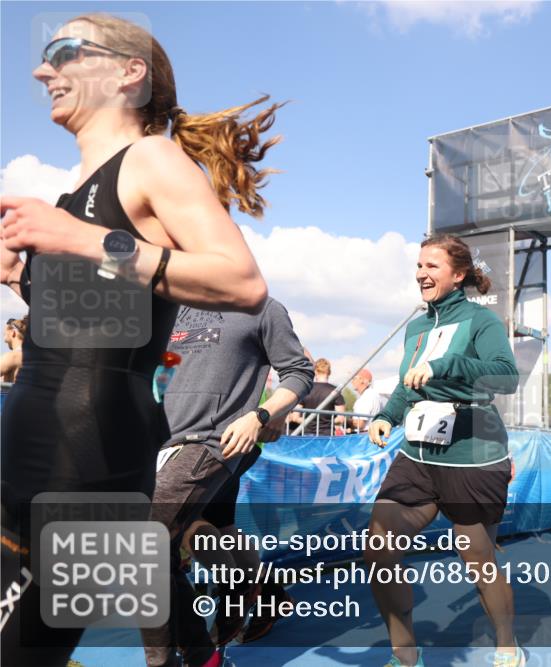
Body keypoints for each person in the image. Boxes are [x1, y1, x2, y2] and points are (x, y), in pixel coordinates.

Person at [1, 14, 274, 665]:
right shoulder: (73, 195)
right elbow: (92, 331)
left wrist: (80, 240)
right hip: (28, 450)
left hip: (86, 464)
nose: (43, 70)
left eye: (66, 51)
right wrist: (18, 276)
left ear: (130, 73)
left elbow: (242, 279)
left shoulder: (152, 159)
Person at [366, 234, 522, 667]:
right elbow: (408, 384)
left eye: (431, 266)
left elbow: (506, 377)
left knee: (477, 557)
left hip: (473, 455)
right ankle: (405, 656)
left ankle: (507, 645)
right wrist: (388, 415)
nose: (421, 273)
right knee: (379, 546)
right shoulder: (417, 327)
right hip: (417, 456)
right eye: (419, 265)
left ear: (458, 274)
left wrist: (446, 365)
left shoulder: (480, 320)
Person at [142, 299, 313, 666]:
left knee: (155, 537)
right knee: (208, 529)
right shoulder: (172, 311)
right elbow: (163, 375)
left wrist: (265, 414)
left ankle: (233, 595)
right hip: (167, 442)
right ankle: (255, 597)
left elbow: (298, 370)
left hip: (219, 439)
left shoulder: (262, 307)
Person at [289, 357, 346, 435]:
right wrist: (326, 422)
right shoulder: (335, 391)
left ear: (315, 371)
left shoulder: (306, 389)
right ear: (329, 372)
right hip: (327, 434)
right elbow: (341, 419)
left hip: (307, 434)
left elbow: (295, 417)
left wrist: (310, 421)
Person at [351, 368, 386, 433]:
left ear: (362, 380)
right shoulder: (373, 394)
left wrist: (345, 421)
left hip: (364, 436)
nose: (352, 381)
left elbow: (360, 424)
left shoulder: (366, 397)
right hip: (372, 434)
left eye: (354, 378)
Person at [0, 317, 26, 383]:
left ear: (13, 333)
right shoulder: (33, 355)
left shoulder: (13, 357)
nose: (3, 334)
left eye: (5, 333)